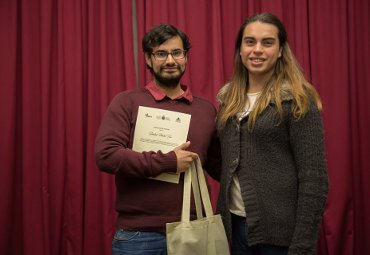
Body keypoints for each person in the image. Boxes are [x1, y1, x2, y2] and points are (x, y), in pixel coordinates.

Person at [94, 24, 221, 255]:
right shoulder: (127, 102)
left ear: (186, 57)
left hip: (193, 230)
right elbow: (106, 155)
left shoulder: (206, 109)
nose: (170, 60)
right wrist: (169, 162)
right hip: (139, 236)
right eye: (161, 53)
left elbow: (218, 165)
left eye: (177, 52)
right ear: (148, 59)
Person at [216, 13, 329, 255]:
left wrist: (302, 245)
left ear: (280, 51)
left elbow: (314, 178)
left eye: (267, 42)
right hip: (235, 227)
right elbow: (226, 160)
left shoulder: (298, 99)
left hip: (281, 236)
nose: (257, 50)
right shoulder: (228, 100)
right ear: (240, 49)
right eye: (250, 42)